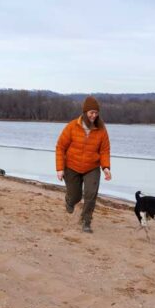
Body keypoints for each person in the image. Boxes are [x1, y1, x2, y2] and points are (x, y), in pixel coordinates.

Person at [55, 96, 112, 233]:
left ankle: (86, 221)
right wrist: (60, 168)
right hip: (72, 166)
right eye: (91, 112)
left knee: (90, 195)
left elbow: (104, 150)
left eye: (96, 113)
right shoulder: (72, 126)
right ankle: (70, 200)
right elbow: (60, 147)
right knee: (76, 196)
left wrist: (106, 167)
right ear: (85, 112)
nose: (94, 116)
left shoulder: (101, 129)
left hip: (92, 167)